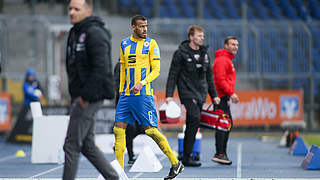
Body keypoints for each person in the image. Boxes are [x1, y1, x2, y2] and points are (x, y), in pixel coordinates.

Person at [113, 15, 183, 180]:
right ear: (133, 27)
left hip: (143, 95)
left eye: (146, 26)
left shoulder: (151, 44)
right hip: (126, 95)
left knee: (150, 130)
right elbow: (122, 68)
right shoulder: (124, 44)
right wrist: (122, 90)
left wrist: (142, 82)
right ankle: (119, 172)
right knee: (118, 130)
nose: (145, 29)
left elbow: (156, 70)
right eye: (142, 26)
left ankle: (175, 163)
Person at [63, 0, 118, 179]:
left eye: (76, 9)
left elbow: (101, 69)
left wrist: (85, 97)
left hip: (90, 96)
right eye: (70, 8)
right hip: (81, 95)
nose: (72, 12)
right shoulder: (75, 32)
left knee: (71, 145)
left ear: (88, 11)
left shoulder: (95, 33)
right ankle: (112, 177)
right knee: (87, 145)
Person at [166, 25, 220, 167]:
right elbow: (173, 74)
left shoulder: (205, 54)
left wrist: (214, 95)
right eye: (199, 36)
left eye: (203, 36)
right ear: (191, 37)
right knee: (195, 117)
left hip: (200, 92)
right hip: (187, 92)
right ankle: (187, 155)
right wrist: (169, 95)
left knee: (192, 123)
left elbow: (209, 76)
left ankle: (186, 156)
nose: (202, 38)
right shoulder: (180, 53)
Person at [212, 36, 239, 165]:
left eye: (237, 45)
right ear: (226, 45)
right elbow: (220, 80)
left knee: (225, 124)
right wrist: (231, 93)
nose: (235, 47)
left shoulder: (227, 59)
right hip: (220, 97)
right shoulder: (223, 60)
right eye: (232, 44)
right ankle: (220, 153)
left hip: (223, 97)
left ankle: (221, 153)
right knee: (224, 125)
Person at [114, 61, 144, 166]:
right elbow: (117, 85)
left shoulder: (138, 63)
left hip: (136, 100)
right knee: (130, 128)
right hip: (125, 101)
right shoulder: (120, 65)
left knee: (142, 127)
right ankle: (131, 156)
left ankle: (121, 144)